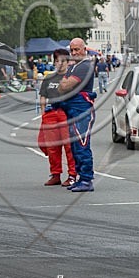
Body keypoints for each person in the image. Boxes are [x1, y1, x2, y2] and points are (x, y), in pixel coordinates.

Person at [55, 38, 97, 193]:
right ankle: (81, 178)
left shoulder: (85, 66)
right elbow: (62, 88)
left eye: (77, 50)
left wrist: (64, 82)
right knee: (75, 146)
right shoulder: (74, 66)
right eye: (72, 50)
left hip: (82, 111)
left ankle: (87, 179)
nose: (74, 53)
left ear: (84, 49)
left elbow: (65, 85)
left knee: (82, 145)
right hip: (73, 110)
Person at [38, 49, 77, 187]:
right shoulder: (48, 78)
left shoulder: (71, 78)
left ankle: (72, 175)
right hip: (51, 113)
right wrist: (43, 113)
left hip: (66, 114)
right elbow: (43, 95)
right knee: (52, 147)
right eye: (57, 61)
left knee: (69, 146)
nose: (60, 64)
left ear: (68, 62)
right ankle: (55, 175)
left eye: (63, 61)